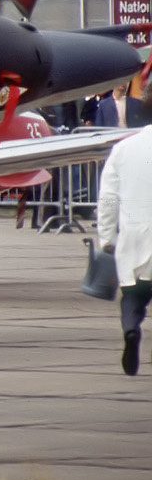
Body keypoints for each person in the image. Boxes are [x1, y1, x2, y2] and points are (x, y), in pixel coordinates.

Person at [95, 90, 152, 375]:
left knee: (132, 298)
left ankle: (131, 330)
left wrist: (107, 238)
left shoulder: (124, 148)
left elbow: (107, 199)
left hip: (134, 237)